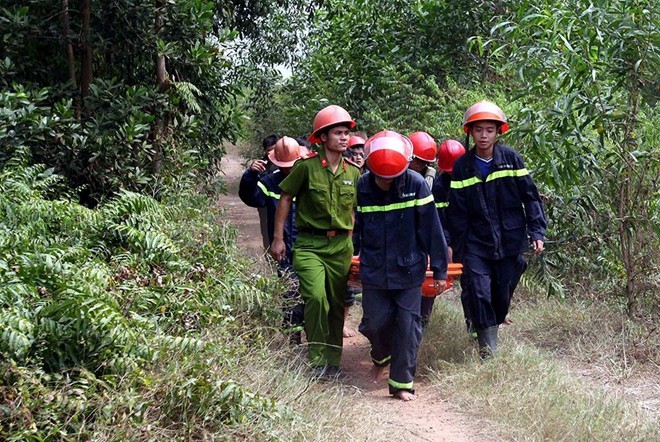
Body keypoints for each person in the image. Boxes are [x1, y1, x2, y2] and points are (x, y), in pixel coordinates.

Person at [447, 100, 546, 359]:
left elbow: (531, 197)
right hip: (476, 244)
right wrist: (458, 249)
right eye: (478, 130)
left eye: (489, 130)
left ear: (498, 132)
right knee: (478, 290)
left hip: (510, 240)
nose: (483, 135)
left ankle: (491, 323)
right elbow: (456, 213)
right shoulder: (462, 167)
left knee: (501, 294)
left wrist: (537, 232)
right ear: (470, 132)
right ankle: (487, 351)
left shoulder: (512, 159)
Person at [355, 131, 448, 401]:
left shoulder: (417, 184)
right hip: (373, 269)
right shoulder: (362, 186)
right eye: (380, 178)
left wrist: (440, 270)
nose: (386, 183)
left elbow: (433, 231)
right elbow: (357, 227)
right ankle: (381, 355)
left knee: (408, 325)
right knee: (374, 322)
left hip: (409, 269)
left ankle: (401, 383)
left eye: (391, 178)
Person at [270, 105, 361, 378]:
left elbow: (355, 211)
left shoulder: (353, 173)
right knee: (316, 298)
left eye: (346, 133)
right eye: (337, 133)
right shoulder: (306, 168)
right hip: (309, 244)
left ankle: (333, 361)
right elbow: (285, 198)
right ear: (322, 137)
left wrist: (355, 243)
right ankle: (317, 357)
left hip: (341, 247)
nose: (344, 138)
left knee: (335, 302)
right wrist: (277, 239)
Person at [238, 136, 308, 344]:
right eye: (283, 165)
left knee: (312, 292)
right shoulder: (270, 182)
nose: (288, 169)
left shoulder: (310, 179)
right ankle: (293, 337)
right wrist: (251, 175)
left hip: (311, 245)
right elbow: (252, 198)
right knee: (291, 291)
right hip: (284, 247)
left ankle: (315, 336)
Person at [428, 140, 469, 330]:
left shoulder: (471, 178)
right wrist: (447, 245)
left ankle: (475, 325)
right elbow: (440, 220)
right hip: (453, 239)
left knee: (474, 283)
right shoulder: (439, 186)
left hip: (472, 238)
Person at [342, 133, 367, 338]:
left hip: (366, 236)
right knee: (346, 283)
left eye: (361, 153)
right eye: (354, 153)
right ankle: (340, 323)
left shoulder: (370, 178)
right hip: (346, 235)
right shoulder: (344, 175)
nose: (358, 157)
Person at [255, 134, 280, 250]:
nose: (272, 153)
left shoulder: (287, 162)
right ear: (265, 151)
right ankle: (269, 255)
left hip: (283, 202)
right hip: (266, 206)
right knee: (266, 230)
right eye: (269, 150)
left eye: (275, 149)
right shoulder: (261, 165)